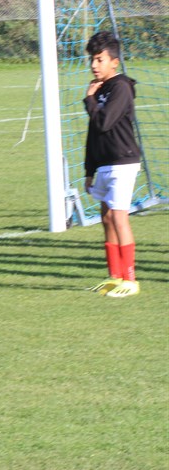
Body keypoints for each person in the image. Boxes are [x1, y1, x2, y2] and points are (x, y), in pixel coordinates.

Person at [83, 31, 141, 298]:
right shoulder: (100, 88)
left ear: (114, 62)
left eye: (99, 59)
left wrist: (90, 100)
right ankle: (114, 276)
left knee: (118, 217)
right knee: (106, 218)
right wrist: (89, 170)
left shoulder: (121, 87)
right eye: (92, 60)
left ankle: (130, 279)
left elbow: (104, 123)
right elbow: (93, 133)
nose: (94, 65)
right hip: (105, 163)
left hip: (122, 162)